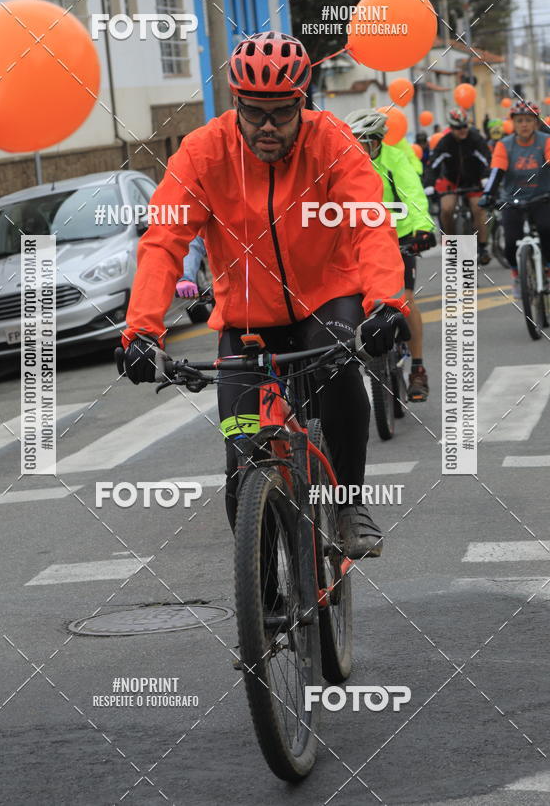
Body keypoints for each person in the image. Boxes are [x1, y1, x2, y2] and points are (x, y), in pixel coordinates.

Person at [116, 31, 410, 560]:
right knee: (241, 463)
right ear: (236, 103)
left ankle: (347, 504)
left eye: (282, 112)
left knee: (340, 366)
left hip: (327, 299)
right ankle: (268, 602)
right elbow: (162, 243)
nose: (268, 127)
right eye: (254, 113)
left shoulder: (332, 143)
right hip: (246, 320)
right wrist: (141, 332)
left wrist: (387, 302)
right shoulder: (203, 153)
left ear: (303, 101)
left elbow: (370, 223)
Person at [346, 109, 436, 402]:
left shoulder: (395, 158)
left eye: (365, 143)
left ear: (377, 141)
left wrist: (423, 228)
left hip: (400, 236)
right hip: (361, 240)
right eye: (355, 142)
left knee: (407, 298)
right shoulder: (346, 164)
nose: (359, 148)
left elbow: (413, 193)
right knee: (354, 299)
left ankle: (418, 370)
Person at [479, 101, 550, 298]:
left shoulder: (545, 141)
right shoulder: (504, 145)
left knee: (546, 229)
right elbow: (496, 172)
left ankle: (548, 269)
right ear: (514, 123)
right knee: (510, 241)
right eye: (520, 121)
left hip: (542, 197)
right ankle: (517, 275)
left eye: (528, 120)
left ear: (536, 123)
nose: (524, 125)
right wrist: (487, 194)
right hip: (512, 200)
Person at [427, 107, 491, 264]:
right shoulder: (445, 142)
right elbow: (433, 164)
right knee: (446, 209)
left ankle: (482, 247)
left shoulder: (476, 139)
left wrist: (486, 177)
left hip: (474, 181)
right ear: (451, 127)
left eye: (464, 126)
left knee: (479, 208)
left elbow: (487, 159)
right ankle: (450, 244)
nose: (462, 130)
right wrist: (429, 183)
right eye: (457, 127)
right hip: (452, 181)